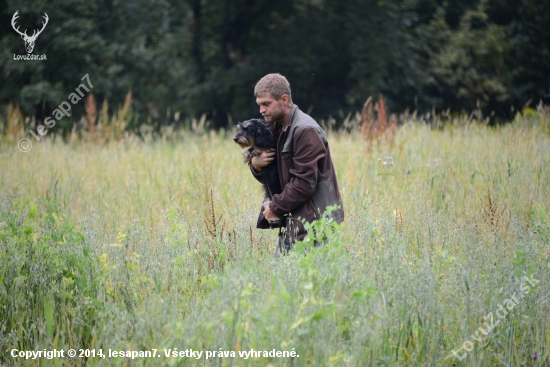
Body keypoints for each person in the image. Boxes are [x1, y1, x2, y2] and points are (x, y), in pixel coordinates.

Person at [248, 73, 344, 256]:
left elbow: (304, 183)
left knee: (306, 283)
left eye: (266, 104)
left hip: (315, 225)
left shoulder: (305, 130)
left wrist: (274, 207)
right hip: (293, 220)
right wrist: (256, 164)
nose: (261, 110)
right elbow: (272, 175)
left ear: (284, 99)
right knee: (282, 281)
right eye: (259, 104)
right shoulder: (276, 128)